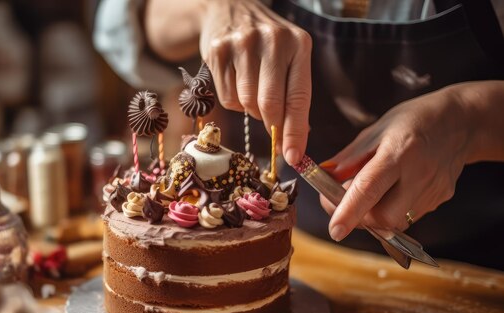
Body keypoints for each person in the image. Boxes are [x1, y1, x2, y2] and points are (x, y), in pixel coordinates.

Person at [93, 0, 504, 269]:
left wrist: (468, 119)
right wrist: (212, 7)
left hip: (481, 264)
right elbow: (125, 21)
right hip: (299, 253)